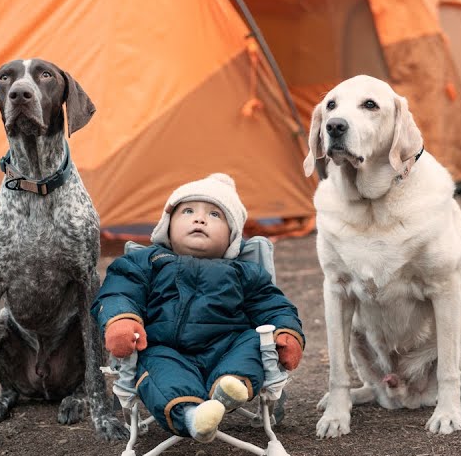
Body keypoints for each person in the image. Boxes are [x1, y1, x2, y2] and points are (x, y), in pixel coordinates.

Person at [92, 173, 305, 442]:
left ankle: (227, 391)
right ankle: (192, 416)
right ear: (167, 226)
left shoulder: (244, 272)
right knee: (154, 363)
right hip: (165, 349)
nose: (200, 219)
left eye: (215, 215)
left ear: (232, 236)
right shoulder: (148, 261)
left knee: (254, 342)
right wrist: (121, 320)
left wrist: (287, 332)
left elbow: (273, 305)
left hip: (227, 349)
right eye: (188, 211)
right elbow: (120, 291)